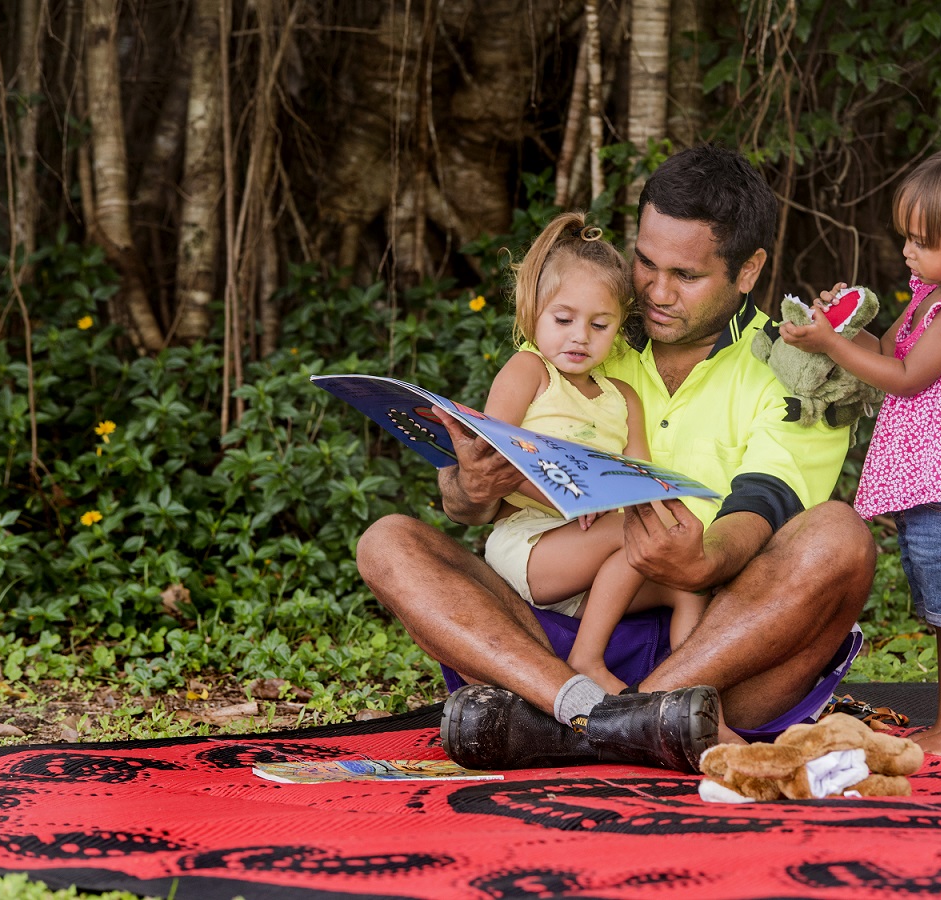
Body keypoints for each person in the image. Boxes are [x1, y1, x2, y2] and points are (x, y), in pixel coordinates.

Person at [356, 145, 876, 775]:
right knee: (388, 542)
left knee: (841, 537)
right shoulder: (591, 329)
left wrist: (703, 559)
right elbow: (470, 503)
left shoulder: (796, 369)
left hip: (717, 648)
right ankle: (612, 720)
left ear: (748, 270)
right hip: (549, 641)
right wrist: (471, 484)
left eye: (685, 276)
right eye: (646, 264)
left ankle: (574, 725)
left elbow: (765, 505)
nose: (656, 292)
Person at [781, 141, 941, 759]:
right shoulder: (933, 295)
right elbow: (890, 350)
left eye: (921, 239)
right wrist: (838, 329)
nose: (907, 250)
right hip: (934, 488)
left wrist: (833, 349)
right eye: (907, 237)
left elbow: (905, 378)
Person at [480, 210, 707, 694]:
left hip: (596, 557)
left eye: (600, 324)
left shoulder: (622, 396)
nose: (580, 336)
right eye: (563, 319)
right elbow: (493, 454)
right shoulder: (529, 372)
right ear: (532, 313)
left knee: (688, 582)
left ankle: (679, 694)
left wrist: (677, 522)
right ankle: (587, 659)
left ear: (621, 327)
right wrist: (572, 498)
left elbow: (642, 478)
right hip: (532, 545)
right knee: (632, 529)